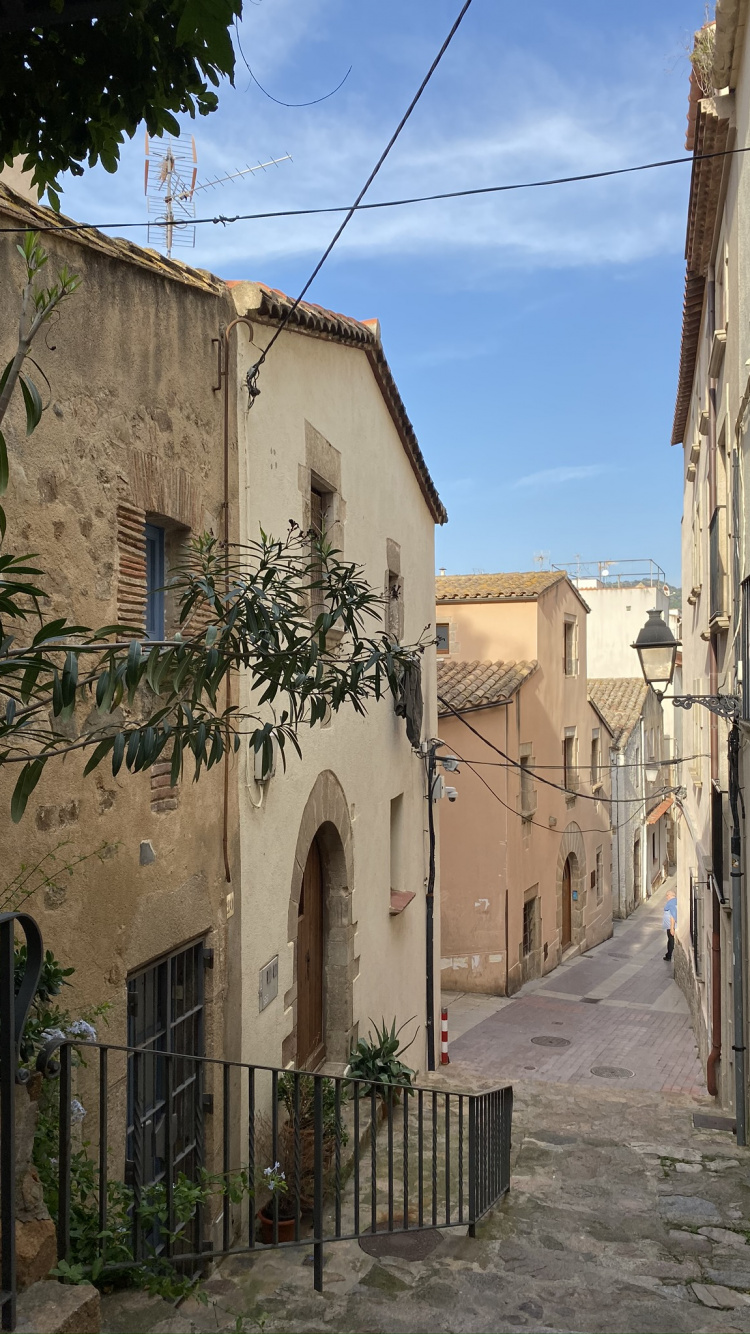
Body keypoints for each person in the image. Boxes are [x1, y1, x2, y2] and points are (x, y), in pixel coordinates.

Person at [663, 888, 677, 961]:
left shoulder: (671, 903)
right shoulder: (674, 902)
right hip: (670, 926)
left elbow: (673, 915)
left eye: (667, 895)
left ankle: (669, 956)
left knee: (671, 941)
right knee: (670, 941)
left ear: (670, 895)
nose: (666, 897)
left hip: (671, 926)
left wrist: (672, 927)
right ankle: (668, 954)